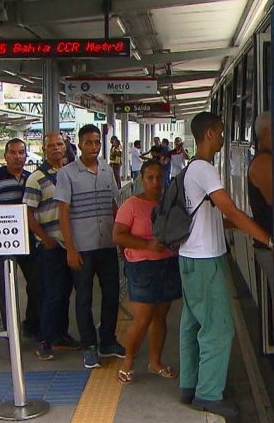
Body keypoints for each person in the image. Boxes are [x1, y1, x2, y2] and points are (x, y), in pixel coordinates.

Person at [175, 111, 271, 419]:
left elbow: (215, 216)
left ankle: (190, 385)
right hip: (205, 260)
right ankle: (209, 395)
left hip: (189, 256)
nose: (222, 139)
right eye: (219, 133)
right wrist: (268, 239)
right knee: (219, 328)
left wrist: (239, 226)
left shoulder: (191, 168)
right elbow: (230, 210)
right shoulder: (205, 169)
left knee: (192, 324)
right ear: (208, 135)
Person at [55, 124, 125, 369]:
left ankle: (107, 340)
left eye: (97, 142)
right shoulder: (66, 174)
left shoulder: (107, 170)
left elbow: (115, 205)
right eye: (88, 143)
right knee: (84, 297)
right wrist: (70, 249)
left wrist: (122, 238)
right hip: (82, 247)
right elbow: (63, 211)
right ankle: (89, 346)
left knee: (111, 294)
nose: (94, 147)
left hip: (106, 243)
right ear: (80, 143)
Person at [113, 160, 180, 384]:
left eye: (159, 177)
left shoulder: (169, 204)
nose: (155, 182)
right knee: (142, 319)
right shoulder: (131, 205)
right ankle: (128, 361)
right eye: (150, 177)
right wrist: (147, 246)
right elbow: (118, 235)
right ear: (142, 179)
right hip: (141, 267)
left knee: (160, 317)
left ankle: (155, 362)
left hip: (167, 265)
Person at [24, 132, 81, 361]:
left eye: (60, 144)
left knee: (65, 292)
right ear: (44, 149)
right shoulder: (36, 178)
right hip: (52, 246)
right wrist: (45, 238)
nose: (57, 148)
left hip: (73, 245)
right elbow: (27, 213)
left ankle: (60, 335)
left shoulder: (72, 173)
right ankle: (45, 340)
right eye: (51, 145)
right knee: (52, 294)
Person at [0, 139, 41, 338]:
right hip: (2, 242)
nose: (17, 156)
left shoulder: (31, 178)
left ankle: (32, 324)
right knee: (5, 285)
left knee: (36, 282)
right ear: (5, 156)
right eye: (12, 152)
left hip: (28, 239)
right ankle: (10, 329)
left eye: (21, 152)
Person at [247, 113, 274, 335]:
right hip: (271, 244)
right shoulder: (264, 161)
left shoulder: (267, 158)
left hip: (271, 244)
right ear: (266, 133)